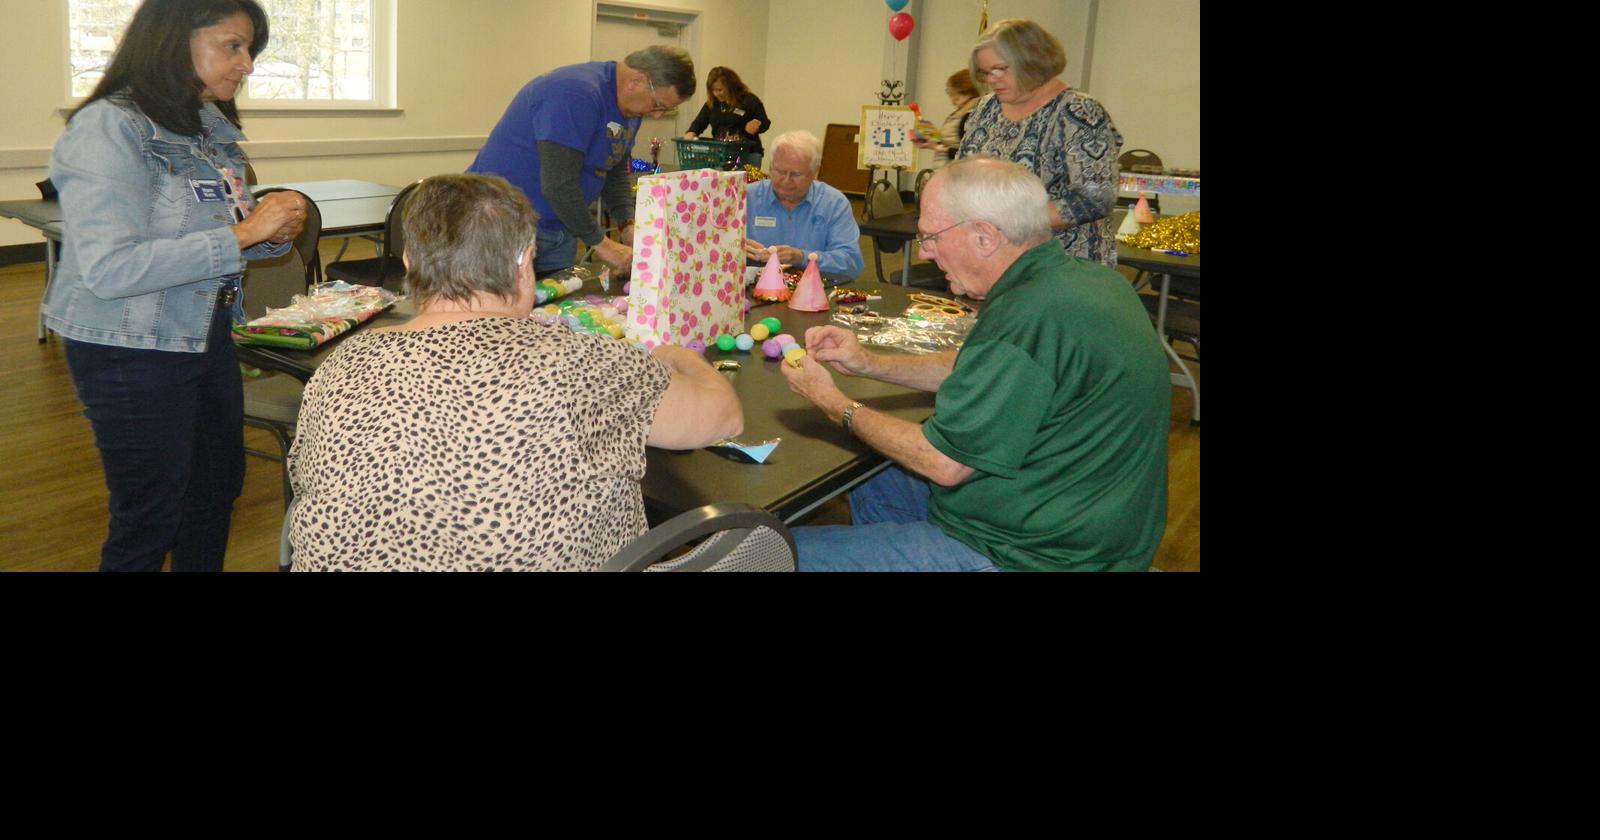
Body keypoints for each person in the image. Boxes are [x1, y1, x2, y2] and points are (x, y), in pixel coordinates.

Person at [286, 174, 744, 571]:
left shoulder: (339, 366)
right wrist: (677, 354)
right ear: (524, 263)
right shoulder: (582, 364)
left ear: (409, 264)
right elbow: (723, 418)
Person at [779, 157, 1169, 572]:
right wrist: (868, 363)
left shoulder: (1028, 315)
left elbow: (943, 464)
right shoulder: (1084, 280)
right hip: (1085, 517)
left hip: (1037, 555)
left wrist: (834, 403)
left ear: (985, 237)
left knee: (769, 553)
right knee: (872, 471)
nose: (925, 253)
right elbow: (979, 367)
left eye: (931, 237)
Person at [43, 0, 306, 572]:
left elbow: (215, 233)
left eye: (250, 50)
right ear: (171, 39)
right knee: (149, 516)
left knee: (214, 492)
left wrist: (268, 235)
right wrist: (242, 233)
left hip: (201, 330)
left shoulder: (208, 128)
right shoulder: (107, 128)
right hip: (126, 344)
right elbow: (111, 270)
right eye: (232, 46)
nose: (247, 66)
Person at [468, 45, 696, 277]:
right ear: (636, 80)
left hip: (562, 226)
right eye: (658, 105)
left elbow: (613, 168)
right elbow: (558, 184)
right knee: (502, 307)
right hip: (502, 226)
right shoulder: (575, 93)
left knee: (555, 310)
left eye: (664, 111)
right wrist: (602, 244)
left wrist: (626, 222)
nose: (656, 115)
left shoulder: (630, 109)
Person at [956, 18, 1124, 269]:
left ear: (1033, 62)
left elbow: (1096, 198)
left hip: (1060, 263)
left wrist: (1010, 221)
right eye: (986, 72)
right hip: (993, 256)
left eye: (1001, 68)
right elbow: (963, 170)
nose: (992, 79)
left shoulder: (1078, 111)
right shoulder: (986, 107)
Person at [742, 130, 865, 277]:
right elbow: (714, 251)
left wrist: (802, 257)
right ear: (770, 166)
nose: (786, 181)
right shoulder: (745, 198)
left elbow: (851, 262)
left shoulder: (834, 203)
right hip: (752, 290)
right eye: (780, 172)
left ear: (815, 172)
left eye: (796, 174)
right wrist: (736, 250)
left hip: (815, 291)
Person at [683, 66, 771, 167]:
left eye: (719, 90)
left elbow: (764, 121)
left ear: (731, 87)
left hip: (748, 154)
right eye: (713, 90)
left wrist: (757, 123)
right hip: (721, 154)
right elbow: (699, 123)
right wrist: (691, 132)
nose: (716, 94)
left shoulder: (749, 100)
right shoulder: (712, 104)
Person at [912, 69, 981, 164]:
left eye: (953, 93)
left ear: (964, 91)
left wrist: (937, 147)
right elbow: (952, 142)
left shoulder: (970, 115)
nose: (953, 100)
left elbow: (969, 153)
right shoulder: (961, 113)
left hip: (956, 172)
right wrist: (932, 139)